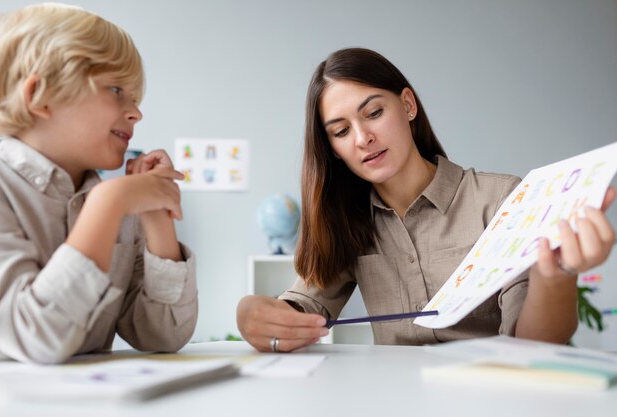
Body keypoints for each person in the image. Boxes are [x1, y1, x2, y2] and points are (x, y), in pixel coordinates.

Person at [237, 47, 616, 352]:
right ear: (333, 148)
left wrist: (556, 276)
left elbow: (535, 343)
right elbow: (301, 306)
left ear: (408, 105)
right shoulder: (348, 220)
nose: (362, 138)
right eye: (340, 131)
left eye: (374, 112)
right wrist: (252, 313)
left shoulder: (500, 198)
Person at [0, 3, 198, 364]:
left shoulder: (114, 201)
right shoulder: (0, 190)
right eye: (117, 89)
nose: (136, 112)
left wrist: (155, 218)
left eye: (134, 97)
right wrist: (108, 204)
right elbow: (37, 337)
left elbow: (163, 335)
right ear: (40, 97)